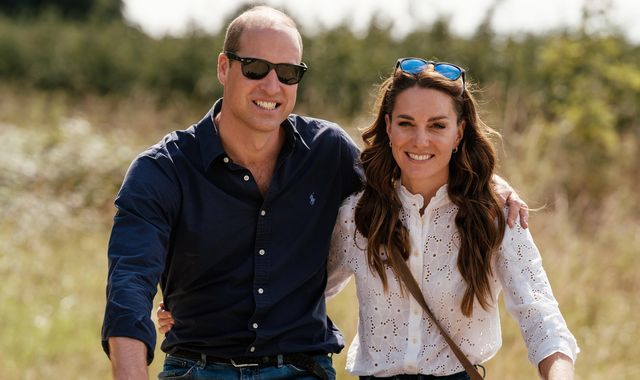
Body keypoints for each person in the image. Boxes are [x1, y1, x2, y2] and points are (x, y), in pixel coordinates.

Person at [103, 6, 527, 380]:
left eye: (288, 73)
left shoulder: (326, 153)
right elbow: (129, 286)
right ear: (223, 67)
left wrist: (490, 183)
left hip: (300, 369)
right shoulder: (161, 171)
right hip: (197, 367)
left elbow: (410, 173)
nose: (272, 86)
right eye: (255, 68)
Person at [322, 58, 579, 379]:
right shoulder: (357, 214)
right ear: (388, 127)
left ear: (459, 133)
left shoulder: (494, 214)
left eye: (437, 125)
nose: (420, 140)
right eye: (406, 123)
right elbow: (309, 290)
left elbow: (539, 314)